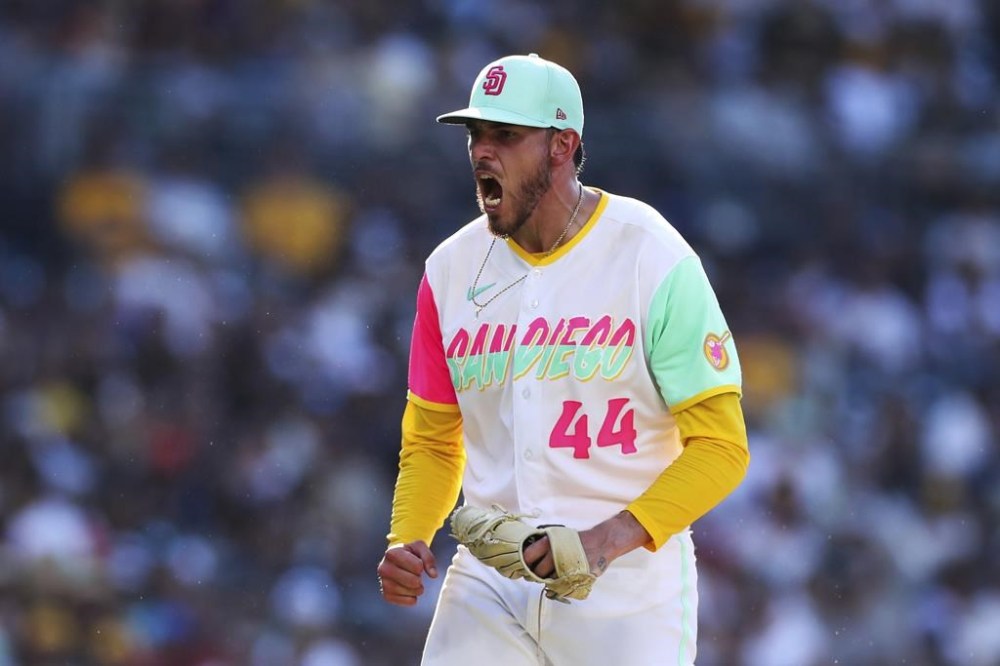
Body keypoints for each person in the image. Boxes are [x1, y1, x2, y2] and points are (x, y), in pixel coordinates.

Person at [377, 53, 750, 665]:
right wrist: (409, 536)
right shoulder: (448, 270)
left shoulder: (650, 254)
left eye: (505, 135)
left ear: (562, 145)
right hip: (490, 580)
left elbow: (721, 447)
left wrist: (607, 540)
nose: (481, 152)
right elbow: (433, 442)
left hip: (628, 593)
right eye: (475, 134)